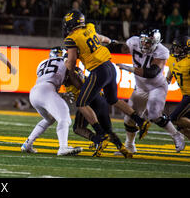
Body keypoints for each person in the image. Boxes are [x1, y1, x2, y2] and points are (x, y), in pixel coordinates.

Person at [62, 10, 150, 156]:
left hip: (99, 70)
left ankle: (100, 135)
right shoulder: (89, 28)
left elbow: (71, 62)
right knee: (112, 99)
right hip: (110, 67)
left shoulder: (71, 38)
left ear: (71, 24)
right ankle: (140, 121)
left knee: (81, 104)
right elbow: (101, 38)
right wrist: (112, 41)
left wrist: (68, 69)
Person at [117, 29, 185, 153]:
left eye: (148, 42)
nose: (144, 44)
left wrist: (128, 68)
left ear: (156, 42)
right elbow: (120, 49)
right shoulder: (133, 42)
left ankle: (176, 135)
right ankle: (130, 145)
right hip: (140, 87)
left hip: (157, 86)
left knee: (154, 115)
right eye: (143, 41)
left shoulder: (162, 51)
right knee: (129, 118)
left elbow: (151, 73)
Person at [20, 47, 83, 156]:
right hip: (47, 91)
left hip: (34, 92)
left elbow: (49, 78)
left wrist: (60, 95)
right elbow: (70, 78)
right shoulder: (65, 62)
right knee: (64, 118)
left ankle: (27, 144)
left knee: (49, 119)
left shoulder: (42, 63)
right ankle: (63, 147)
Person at [65, 67, 132, 158]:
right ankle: (122, 148)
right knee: (108, 131)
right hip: (101, 100)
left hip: (89, 102)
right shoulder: (76, 70)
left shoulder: (70, 73)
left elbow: (78, 84)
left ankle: (98, 140)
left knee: (78, 128)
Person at [166, 36, 190, 139]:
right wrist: (168, 78)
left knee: (173, 118)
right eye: (175, 47)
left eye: (179, 48)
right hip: (185, 95)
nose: (175, 50)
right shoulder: (172, 58)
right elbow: (173, 67)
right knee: (181, 126)